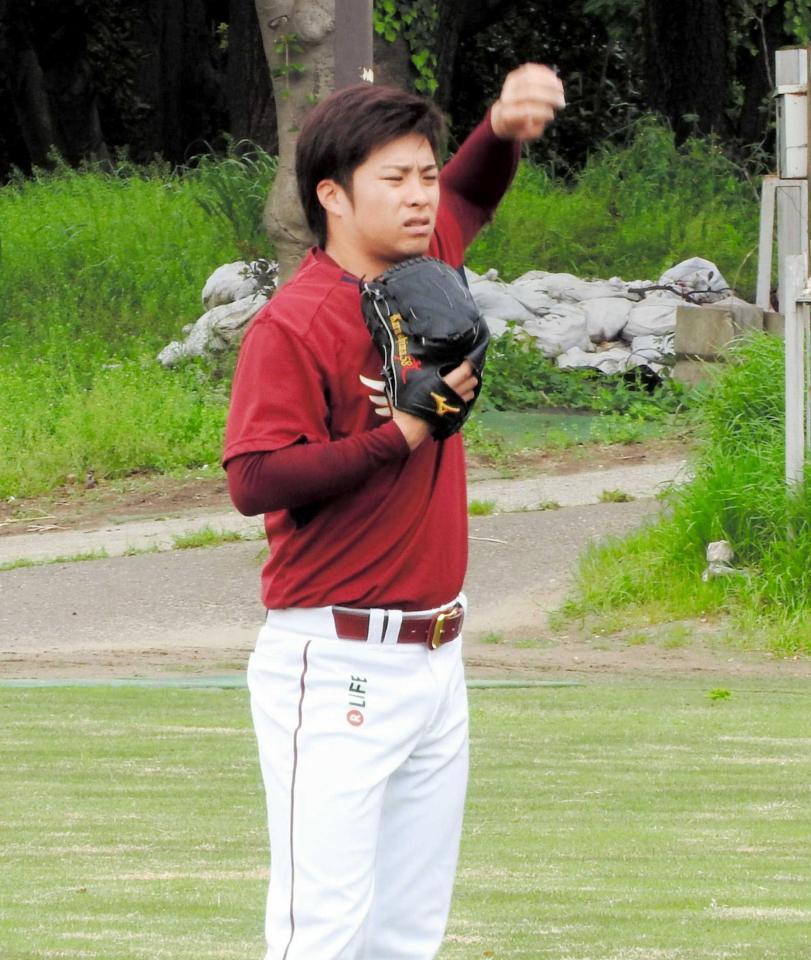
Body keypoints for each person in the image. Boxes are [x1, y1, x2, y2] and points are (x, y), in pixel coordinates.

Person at [223, 64, 565, 960]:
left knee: (407, 933)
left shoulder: (426, 268)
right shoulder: (292, 324)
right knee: (323, 931)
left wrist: (500, 125)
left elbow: (470, 190)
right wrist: (400, 433)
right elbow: (254, 478)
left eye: (423, 174)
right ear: (333, 195)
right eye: (395, 179)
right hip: (334, 662)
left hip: (436, 658)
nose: (420, 198)